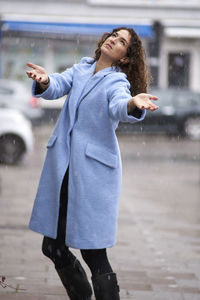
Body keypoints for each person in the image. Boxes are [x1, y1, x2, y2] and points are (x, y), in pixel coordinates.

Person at [26, 27, 158, 300]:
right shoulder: (82, 68)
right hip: (63, 169)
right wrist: (45, 81)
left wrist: (133, 103)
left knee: (92, 251)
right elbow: (58, 85)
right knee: (52, 245)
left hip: (91, 175)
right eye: (114, 35)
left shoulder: (117, 82)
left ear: (125, 57)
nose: (113, 40)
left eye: (122, 41)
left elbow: (119, 105)